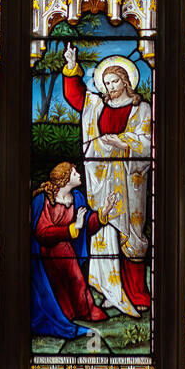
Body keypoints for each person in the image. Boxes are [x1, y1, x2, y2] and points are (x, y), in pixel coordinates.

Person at [61, 45, 151, 316]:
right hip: (100, 178)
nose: (111, 86)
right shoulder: (95, 104)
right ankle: (112, 291)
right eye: (107, 82)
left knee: (132, 234)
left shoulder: (141, 108)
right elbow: (74, 95)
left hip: (130, 178)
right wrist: (71, 66)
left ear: (126, 82)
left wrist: (122, 141)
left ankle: (137, 293)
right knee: (104, 229)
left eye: (115, 81)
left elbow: (147, 143)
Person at [31, 161, 118, 339]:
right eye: (74, 172)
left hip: (67, 251)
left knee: (75, 280)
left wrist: (103, 212)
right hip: (48, 255)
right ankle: (66, 314)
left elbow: (86, 227)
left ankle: (82, 312)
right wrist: (72, 228)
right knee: (59, 286)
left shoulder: (77, 198)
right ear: (64, 178)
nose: (78, 174)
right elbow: (41, 232)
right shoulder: (45, 200)